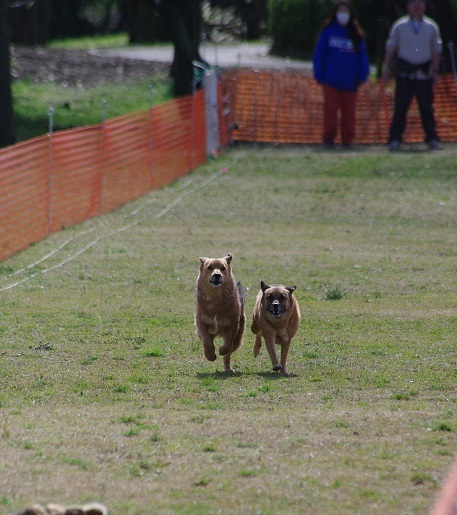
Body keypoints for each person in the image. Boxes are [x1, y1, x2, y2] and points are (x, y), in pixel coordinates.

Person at [383, 0, 443, 151]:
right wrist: (387, 69)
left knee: (427, 107)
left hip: (424, 73)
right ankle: (395, 139)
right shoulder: (399, 25)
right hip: (405, 73)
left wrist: (435, 71)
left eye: (420, 3)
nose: (417, 6)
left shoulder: (431, 26)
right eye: (414, 3)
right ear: (408, 6)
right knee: (400, 107)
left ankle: (432, 139)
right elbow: (391, 47)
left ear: (425, 6)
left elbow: (436, 49)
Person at [313, 0, 370, 148]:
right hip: (330, 81)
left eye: (346, 11)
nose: (343, 14)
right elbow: (319, 55)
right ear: (335, 13)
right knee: (330, 113)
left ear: (351, 14)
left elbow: (363, 58)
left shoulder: (356, 34)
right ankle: (329, 139)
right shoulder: (328, 32)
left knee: (349, 114)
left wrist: (362, 76)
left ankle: (348, 141)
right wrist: (319, 75)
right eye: (340, 11)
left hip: (350, 82)